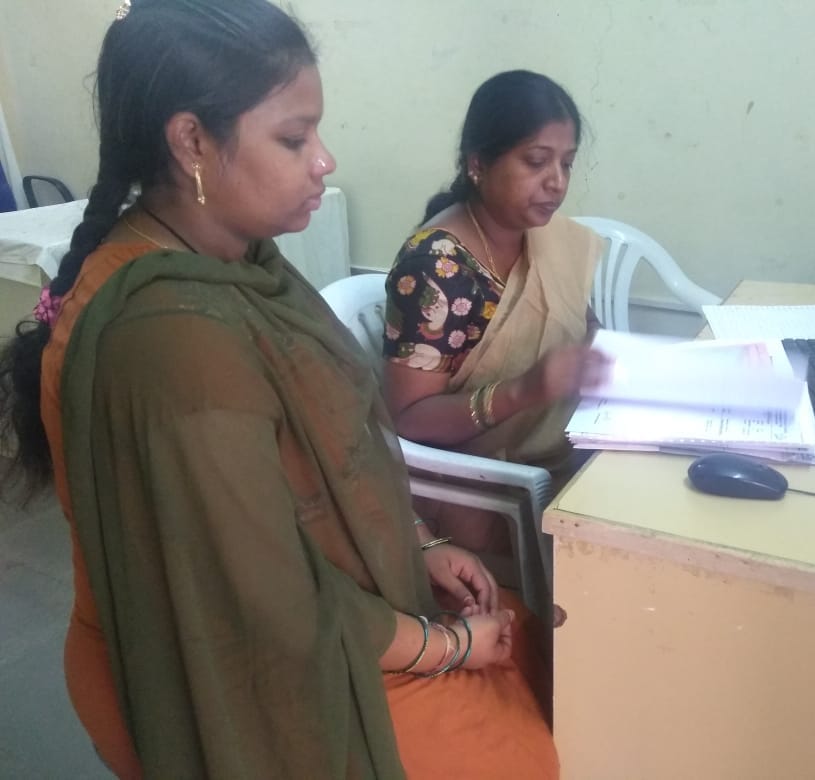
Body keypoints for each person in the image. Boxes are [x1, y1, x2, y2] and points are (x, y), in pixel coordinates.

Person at [0, 2, 557, 778]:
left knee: (545, 640)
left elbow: (329, 460)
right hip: (236, 656)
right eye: (294, 138)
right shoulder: (171, 337)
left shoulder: (239, 259)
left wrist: (421, 544)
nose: (324, 161)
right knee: (524, 751)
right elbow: (263, 601)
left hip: (329, 606)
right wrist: (446, 646)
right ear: (192, 140)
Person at [382, 70, 609, 555]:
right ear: (478, 164)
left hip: (567, 444)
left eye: (567, 164)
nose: (557, 182)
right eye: (536, 162)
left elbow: (585, 326)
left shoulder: (548, 240)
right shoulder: (437, 267)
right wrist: (527, 390)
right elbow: (407, 418)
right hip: (483, 486)